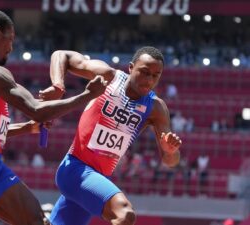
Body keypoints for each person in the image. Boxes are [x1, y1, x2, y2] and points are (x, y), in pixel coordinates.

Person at [0, 9, 108, 225]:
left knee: (37, 221)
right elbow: (37, 109)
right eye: (11, 39)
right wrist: (87, 95)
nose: (11, 47)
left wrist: (29, 128)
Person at [39, 47, 182, 225]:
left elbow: (171, 161)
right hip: (75, 168)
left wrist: (169, 151)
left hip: (97, 179)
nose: (149, 80)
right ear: (131, 67)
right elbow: (61, 55)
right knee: (125, 214)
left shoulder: (155, 108)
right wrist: (58, 85)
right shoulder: (109, 77)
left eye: (155, 75)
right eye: (144, 73)